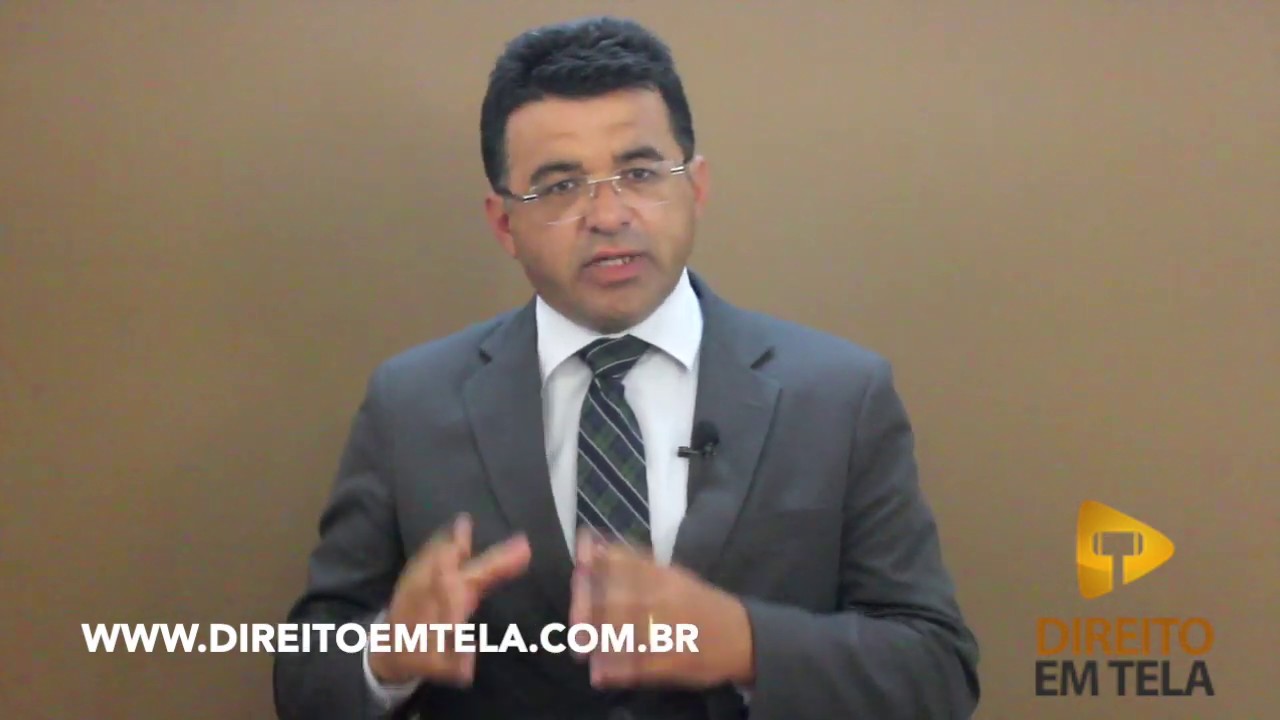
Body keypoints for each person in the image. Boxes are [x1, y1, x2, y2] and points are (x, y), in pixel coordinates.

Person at [272, 15, 980, 720]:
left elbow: (938, 672)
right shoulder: (410, 404)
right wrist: (384, 655)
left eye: (640, 173)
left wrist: (746, 644)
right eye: (560, 186)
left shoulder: (840, 397)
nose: (608, 215)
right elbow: (304, 676)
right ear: (503, 223)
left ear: (696, 187)